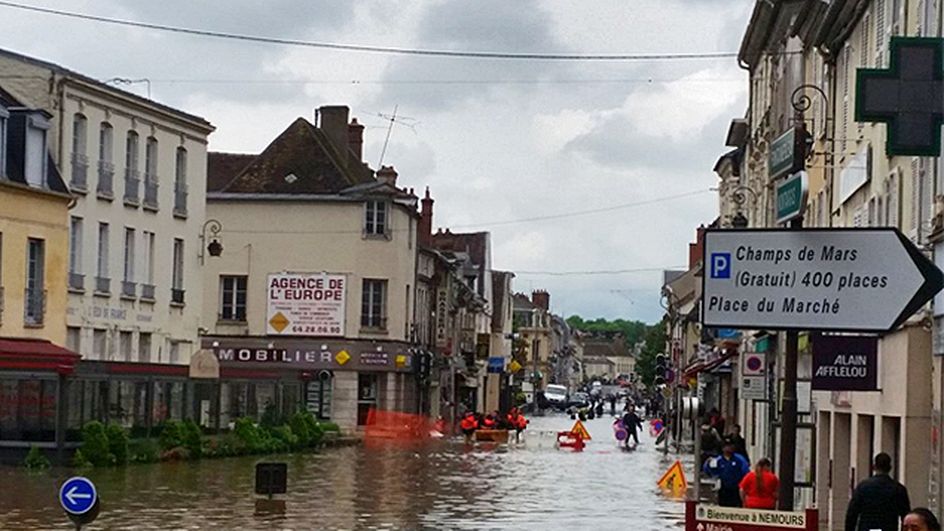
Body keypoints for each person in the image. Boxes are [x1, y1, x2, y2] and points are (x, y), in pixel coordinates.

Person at [845, 452, 911, 531]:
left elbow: (852, 514)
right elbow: (905, 515)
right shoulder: (898, 489)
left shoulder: (862, 487)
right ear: (890, 467)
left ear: (874, 467)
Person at [702, 441, 750, 507]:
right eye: (727, 446)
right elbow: (709, 471)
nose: (729, 448)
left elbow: (746, 472)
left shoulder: (739, 459)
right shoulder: (718, 460)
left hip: (736, 489)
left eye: (731, 446)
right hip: (723, 490)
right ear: (723, 448)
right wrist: (707, 463)